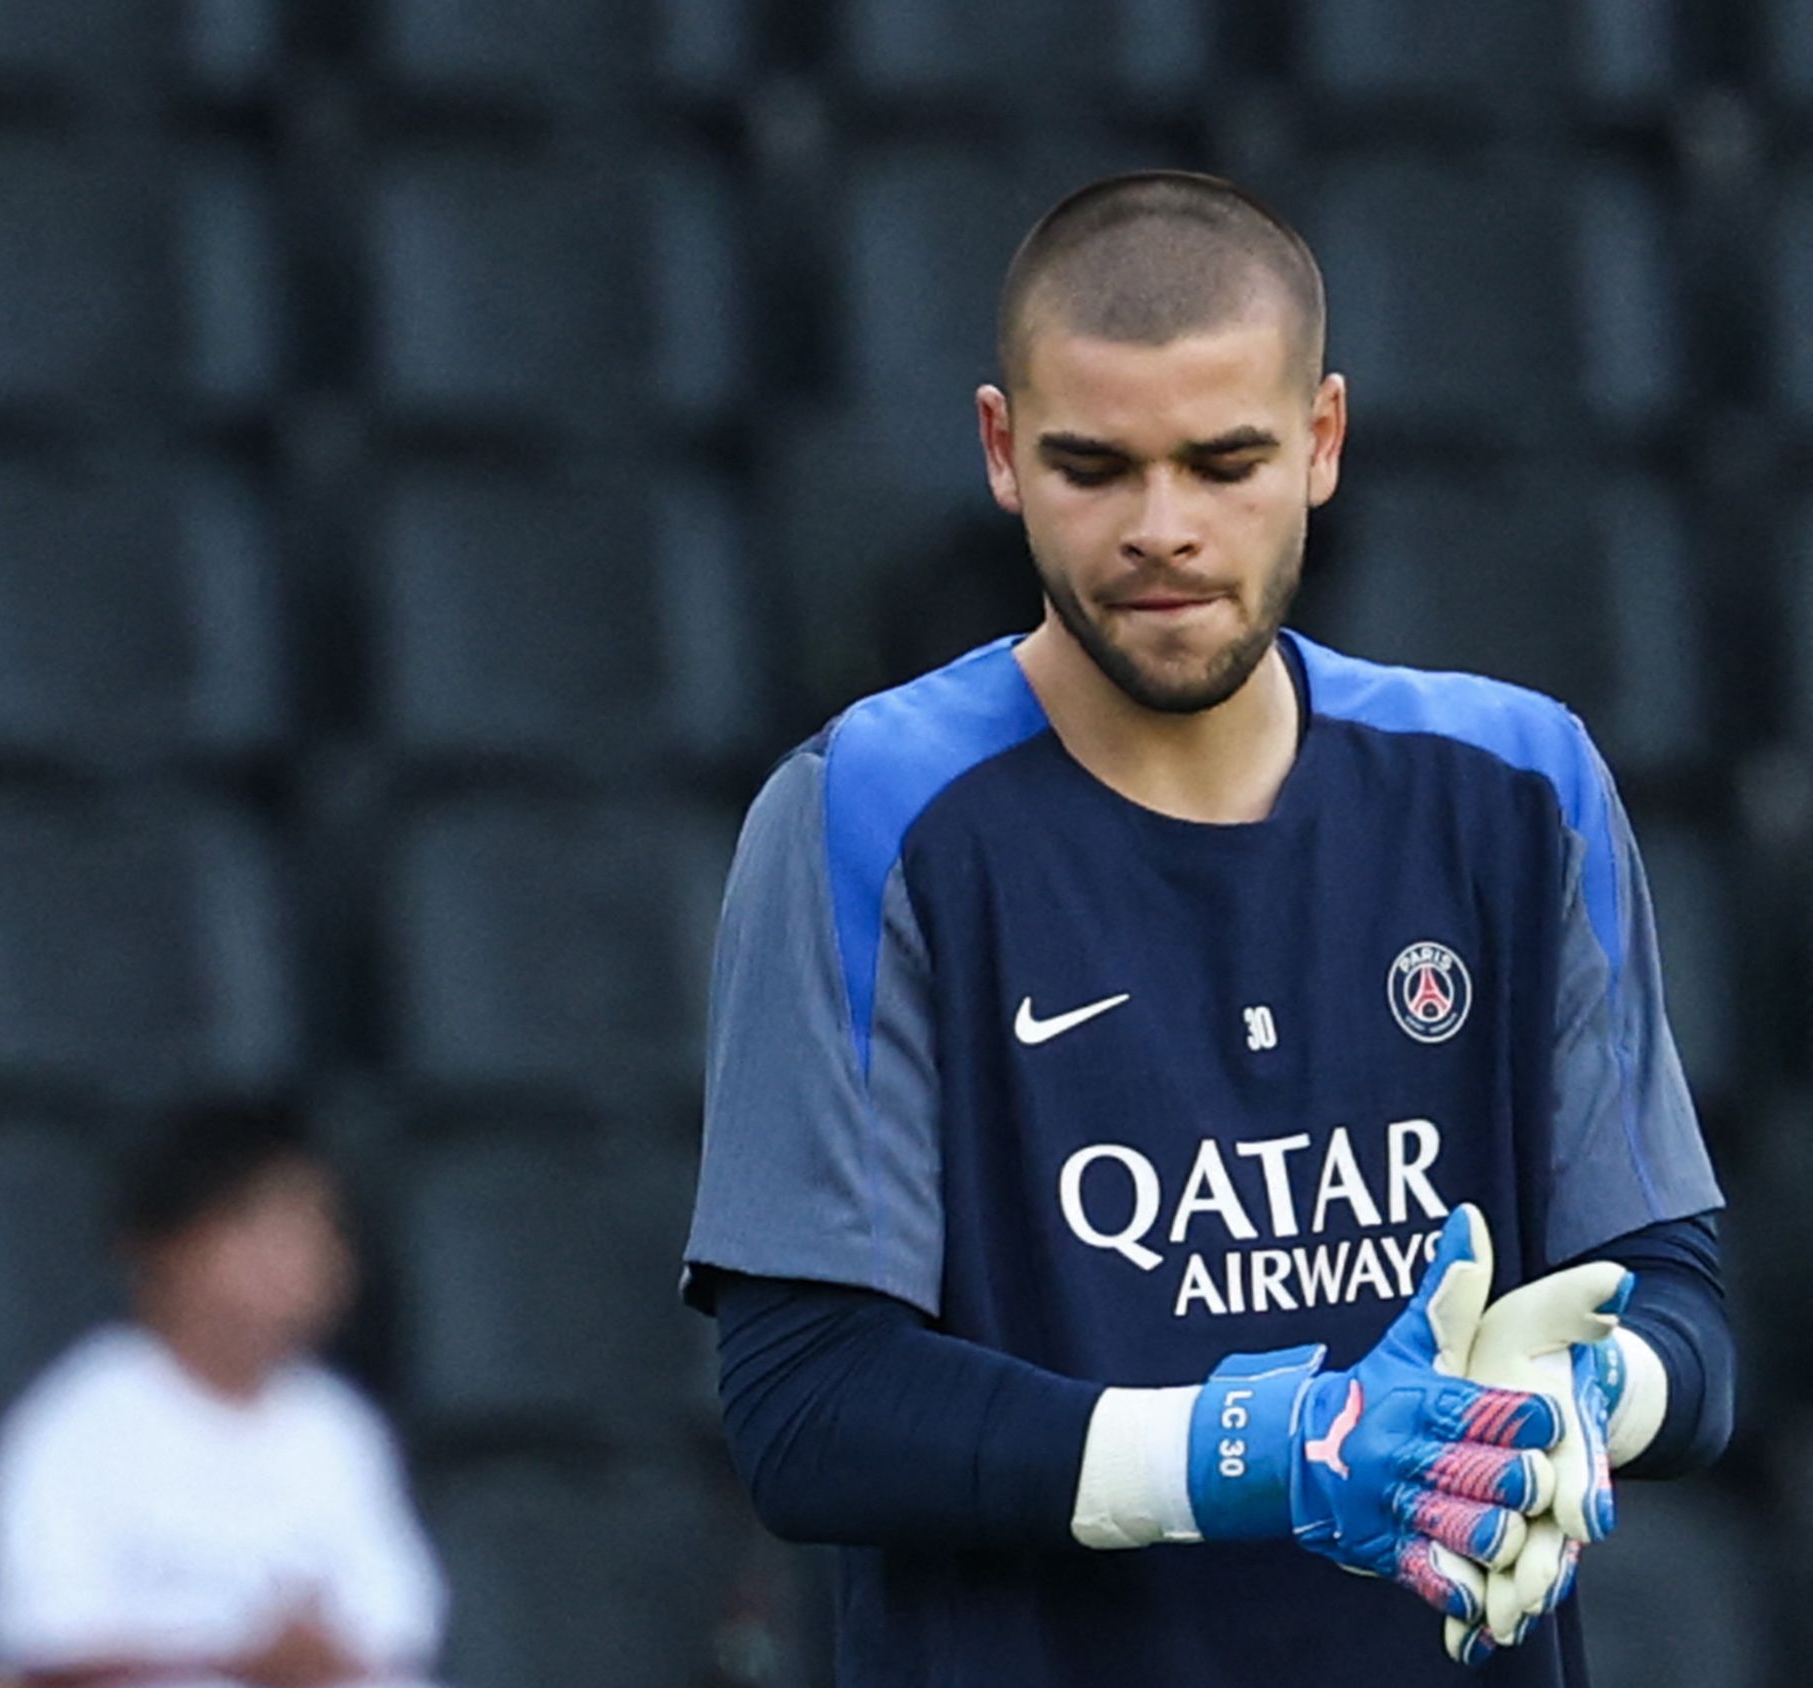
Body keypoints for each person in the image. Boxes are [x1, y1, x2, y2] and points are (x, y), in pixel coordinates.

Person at [682, 171, 1734, 1686]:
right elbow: (808, 1409)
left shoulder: (1519, 785)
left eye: (1224, 461)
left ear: (1321, 443)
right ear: (1001, 453)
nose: (1161, 530)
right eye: (1095, 467)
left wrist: (1578, 1402)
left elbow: (1684, 1312)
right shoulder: (866, 810)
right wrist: (1263, 1449)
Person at [0, 1108, 444, 1688]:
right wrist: (239, 1655)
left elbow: (395, 1629)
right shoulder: (77, 1418)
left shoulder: (338, 1427)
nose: (287, 1263)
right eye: (257, 1229)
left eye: (312, 1234)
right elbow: (36, 1643)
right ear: (162, 1247)